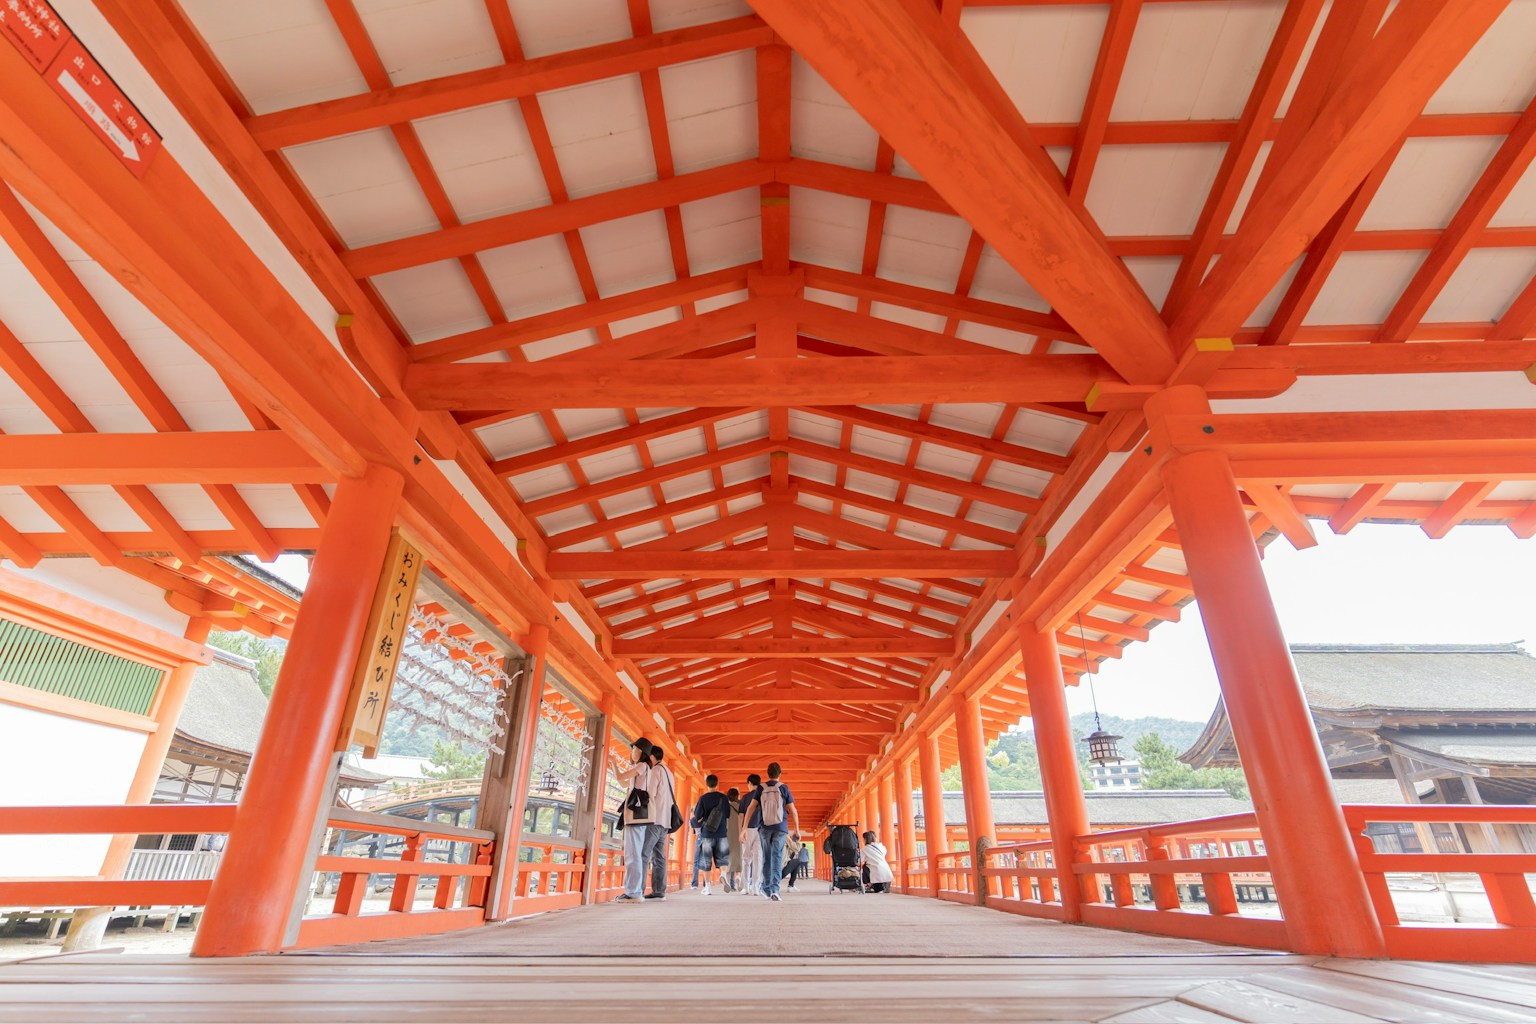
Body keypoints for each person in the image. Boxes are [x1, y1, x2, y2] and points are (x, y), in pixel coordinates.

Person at [741, 762, 799, 902]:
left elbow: (750, 808)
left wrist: (744, 828)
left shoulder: (761, 788)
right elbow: (792, 810)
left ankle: (766, 889)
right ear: (780, 774)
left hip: (764, 827)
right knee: (777, 858)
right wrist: (796, 828)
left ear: (767, 774)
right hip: (780, 828)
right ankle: (775, 889)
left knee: (766, 858)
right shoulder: (784, 788)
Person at [613, 737, 654, 902]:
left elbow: (620, 777)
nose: (632, 752)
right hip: (639, 816)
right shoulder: (644, 768)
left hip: (635, 816)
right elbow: (624, 783)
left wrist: (613, 763)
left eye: (634, 749)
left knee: (633, 854)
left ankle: (633, 892)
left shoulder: (642, 766)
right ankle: (633, 890)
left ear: (641, 751)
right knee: (633, 853)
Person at [689, 774, 731, 895]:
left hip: (707, 834)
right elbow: (727, 815)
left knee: (706, 862)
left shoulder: (703, 798)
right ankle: (723, 875)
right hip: (722, 833)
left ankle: (708, 888)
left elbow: (697, 817)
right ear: (717, 784)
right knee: (723, 859)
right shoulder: (724, 798)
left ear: (706, 785)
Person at [644, 745, 677, 900]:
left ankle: (638, 889)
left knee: (644, 854)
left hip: (654, 819)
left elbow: (651, 793)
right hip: (666, 821)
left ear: (652, 757)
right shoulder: (669, 773)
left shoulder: (656, 770)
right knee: (659, 857)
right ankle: (659, 891)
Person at [738, 774, 762, 895]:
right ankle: (756, 887)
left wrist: (741, 831)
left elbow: (741, 815)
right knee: (758, 859)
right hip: (760, 830)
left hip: (747, 829)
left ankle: (745, 887)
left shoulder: (746, 797)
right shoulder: (763, 795)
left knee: (746, 859)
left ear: (750, 783)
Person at [724, 787, 742, 893]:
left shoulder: (725, 807)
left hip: (727, 835)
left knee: (727, 859)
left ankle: (726, 880)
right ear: (737, 796)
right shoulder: (741, 806)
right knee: (738, 858)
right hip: (739, 835)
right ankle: (738, 877)